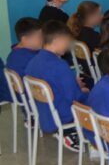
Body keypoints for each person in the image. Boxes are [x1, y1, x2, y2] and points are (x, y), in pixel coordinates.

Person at [25, 21, 88, 151]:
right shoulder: (60, 65)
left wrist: (73, 84)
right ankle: (76, 133)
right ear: (59, 40)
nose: (68, 46)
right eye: (67, 42)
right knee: (97, 99)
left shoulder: (32, 62)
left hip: (44, 113)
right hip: (62, 114)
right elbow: (75, 97)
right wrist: (84, 91)